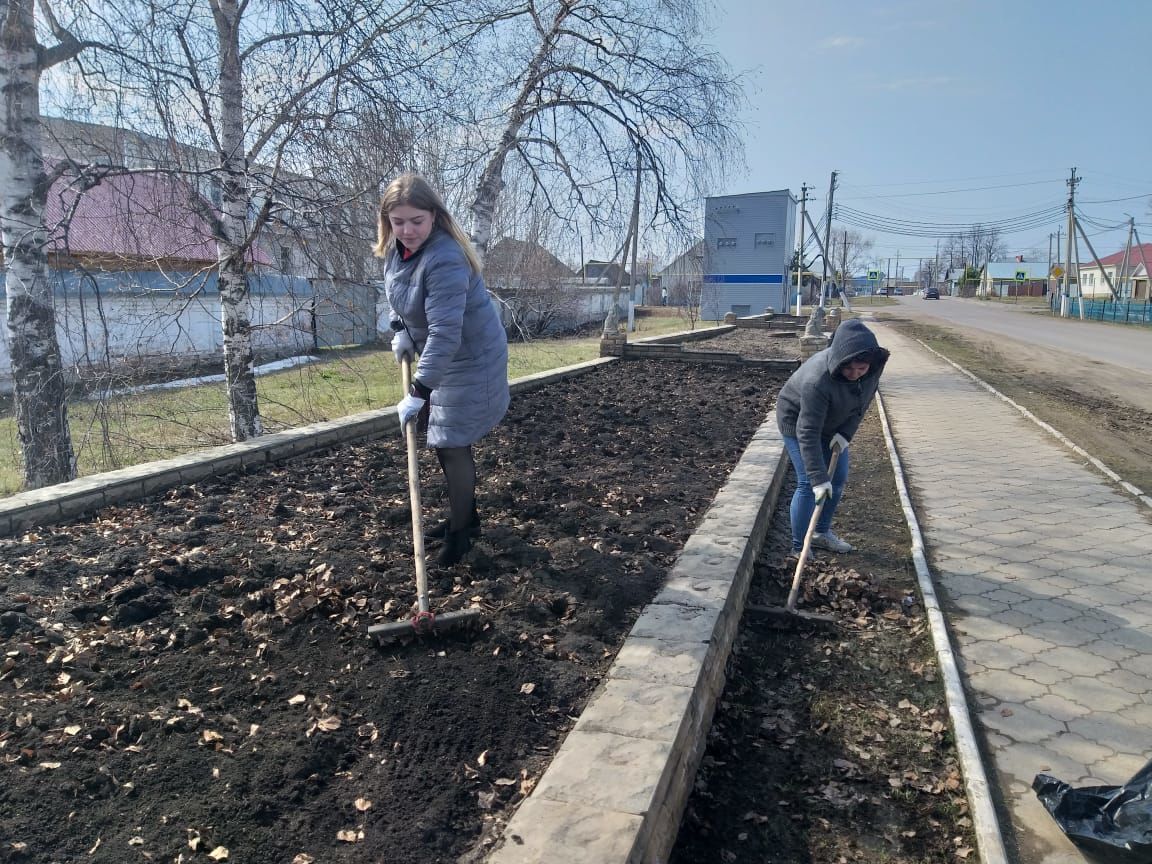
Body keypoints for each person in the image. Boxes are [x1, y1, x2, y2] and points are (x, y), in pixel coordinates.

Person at [373, 173, 510, 566]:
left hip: (471, 358)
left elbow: (447, 335)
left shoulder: (445, 257)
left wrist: (417, 392)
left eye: (416, 220)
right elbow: (398, 298)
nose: (407, 230)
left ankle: (462, 535)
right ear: (388, 221)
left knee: (451, 442)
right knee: (440, 436)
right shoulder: (396, 251)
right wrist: (398, 328)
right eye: (398, 221)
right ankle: (465, 515)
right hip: (442, 356)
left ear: (434, 216)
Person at [775, 318, 889, 556]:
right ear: (839, 360)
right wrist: (818, 477)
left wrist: (845, 434)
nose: (854, 374)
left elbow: (863, 402)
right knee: (808, 483)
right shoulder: (818, 380)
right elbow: (807, 431)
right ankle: (800, 548)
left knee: (837, 479)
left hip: (832, 423)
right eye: (848, 368)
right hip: (797, 421)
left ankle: (820, 533)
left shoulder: (873, 368)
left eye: (861, 369)